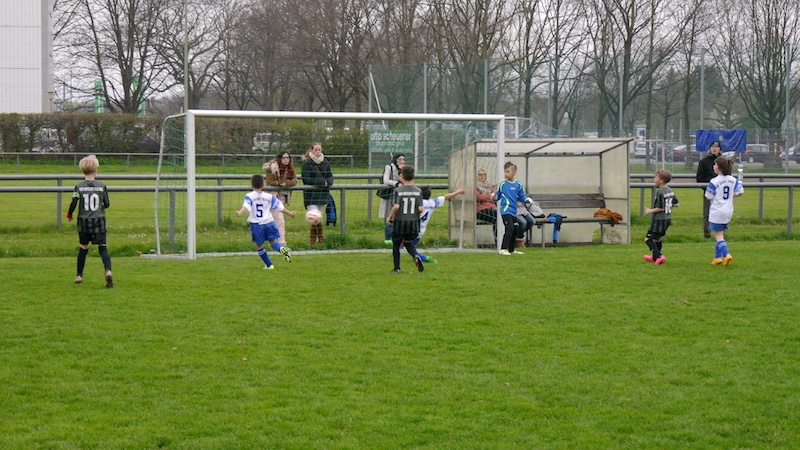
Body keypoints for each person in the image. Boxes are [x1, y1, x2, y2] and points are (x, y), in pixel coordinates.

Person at [67, 155, 114, 287]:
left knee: (83, 248)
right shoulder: (101, 186)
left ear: (82, 170)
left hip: (84, 221)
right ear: (96, 170)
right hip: (99, 220)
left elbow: (74, 201)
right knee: (103, 247)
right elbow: (107, 204)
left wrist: (69, 214)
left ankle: (79, 276)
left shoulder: (79, 187)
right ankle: (108, 271)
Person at [235, 174, 296, 269]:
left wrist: (240, 212)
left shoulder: (249, 196)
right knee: (273, 243)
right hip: (270, 223)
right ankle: (281, 248)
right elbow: (279, 207)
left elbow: (246, 206)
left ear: (251, 185)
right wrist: (290, 213)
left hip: (257, 225)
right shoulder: (269, 197)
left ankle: (269, 265)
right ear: (263, 185)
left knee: (259, 246)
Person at [705, 156, 744, 266]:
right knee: (719, 232)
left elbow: (708, 196)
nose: (713, 166)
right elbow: (740, 191)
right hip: (728, 210)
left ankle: (726, 254)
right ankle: (717, 257)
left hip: (717, 211)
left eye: (715, 165)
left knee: (718, 235)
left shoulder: (714, 181)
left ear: (720, 168)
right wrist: (731, 196)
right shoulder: (733, 180)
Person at [386, 165, 425, 274]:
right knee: (408, 242)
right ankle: (416, 256)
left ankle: (397, 268)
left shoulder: (398, 190)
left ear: (402, 176)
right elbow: (421, 209)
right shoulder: (418, 191)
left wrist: (389, 217)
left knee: (396, 244)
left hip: (400, 222)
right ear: (413, 176)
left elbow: (396, 206)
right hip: (413, 223)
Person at [413, 185, 466, 263]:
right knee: (410, 247)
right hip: (421, 231)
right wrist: (459, 192)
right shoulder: (432, 203)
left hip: (412, 229)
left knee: (409, 247)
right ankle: (421, 258)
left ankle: (425, 258)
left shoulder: (418, 203)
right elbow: (446, 197)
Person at [643, 169, 679, 265]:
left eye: (656, 177)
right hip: (667, 218)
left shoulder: (660, 192)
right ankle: (654, 257)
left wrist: (650, 211)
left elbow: (661, 208)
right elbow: (676, 204)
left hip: (659, 219)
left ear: (661, 180)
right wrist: (668, 205)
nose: (654, 179)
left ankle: (659, 256)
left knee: (648, 239)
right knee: (658, 238)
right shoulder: (670, 190)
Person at [301, 142, 333, 245]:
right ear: (311, 150)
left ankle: (317, 240)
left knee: (317, 218)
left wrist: (328, 182)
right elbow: (306, 179)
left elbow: (330, 176)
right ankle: (316, 239)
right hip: (311, 195)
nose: (318, 152)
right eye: (316, 150)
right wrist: (322, 182)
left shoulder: (325, 162)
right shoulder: (307, 163)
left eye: (319, 150)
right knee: (315, 217)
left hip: (322, 194)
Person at [262, 151, 297, 245]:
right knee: (279, 220)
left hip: (283, 196)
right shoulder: (272, 168)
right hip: (273, 196)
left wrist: (287, 183)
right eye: (284, 158)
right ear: (279, 158)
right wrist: (280, 183)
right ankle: (282, 244)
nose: (286, 160)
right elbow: (269, 182)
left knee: (274, 221)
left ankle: (272, 243)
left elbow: (295, 180)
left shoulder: (290, 169)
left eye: (288, 158)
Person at [495, 162, 528, 255]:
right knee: (509, 227)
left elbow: (522, 196)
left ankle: (511, 250)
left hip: (514, 211)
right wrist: (493, 197)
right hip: (505, 210)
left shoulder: (518, 184)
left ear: (514, 172)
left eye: (507, 172)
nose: (505, 174)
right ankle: (503, 249)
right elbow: (498, 196)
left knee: (516, 229)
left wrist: (527, 199)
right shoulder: (503, 184)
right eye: (505, 172)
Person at [696, 140, 722, 238]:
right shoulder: (704, 162)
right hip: (708, 192)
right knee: (707, 213)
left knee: (721, 212)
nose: (714, 149)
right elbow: (699, 178)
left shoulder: (723, 161)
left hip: (721, 192)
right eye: (713, 147)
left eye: (716, 147)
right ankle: (707, 233)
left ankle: (720, 233)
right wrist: (707, 189)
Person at [380, 153, 405, 245]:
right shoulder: (389, 167)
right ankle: (388, 239)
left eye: (403, 159)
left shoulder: (403, 169)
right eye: (399, 159)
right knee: (388, 216)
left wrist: (402, 171)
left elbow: (406, 179)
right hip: (389, 195)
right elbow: (386, 180)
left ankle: (398, 239)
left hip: (400, 196)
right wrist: (396, 183)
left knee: (398, 217)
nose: (402, 161)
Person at [475, 168, 498, 236]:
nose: (482, 176)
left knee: (499, 217)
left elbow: (494, 196)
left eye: (484, 174)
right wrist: (490, 196)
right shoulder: (475, 186)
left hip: (492, 208)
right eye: (480, 175)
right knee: (496, 216)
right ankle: (497, 239)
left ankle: (500, 239)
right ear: (476, 176)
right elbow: (479, 197)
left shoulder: (489, 186)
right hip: (481, 210)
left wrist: (487, 196)